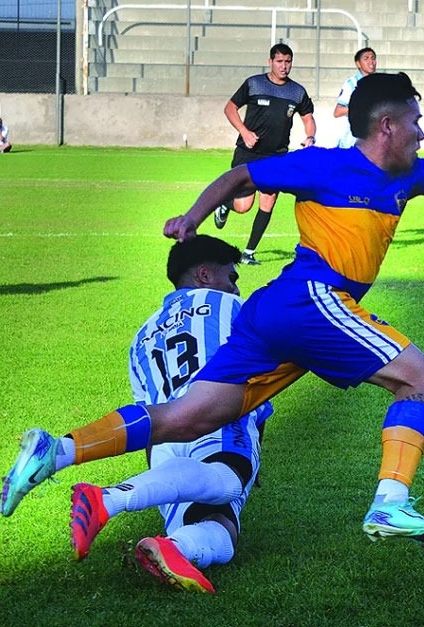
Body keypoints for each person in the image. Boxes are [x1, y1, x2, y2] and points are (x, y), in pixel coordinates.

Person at [0, 72, 424, 547]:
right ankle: (391, 505)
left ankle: (58, 450)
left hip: (275, 311)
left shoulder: (411, 176)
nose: (422, 132)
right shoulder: (325, 166)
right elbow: (241, 174)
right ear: (387, 126)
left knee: (188, 417)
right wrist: (193, 219)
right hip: (312, 301)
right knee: (421, 379)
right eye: (415, 121)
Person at [69, 235, 274, 593]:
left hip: (165, 440)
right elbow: (260, 377)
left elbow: (147, 410)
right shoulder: (231, 308)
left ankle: (174, 548)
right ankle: (108, 498)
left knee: (222, 526)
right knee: (229, 481)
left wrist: (159, 468)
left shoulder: (141, 335)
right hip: (215, 416)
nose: (236, 286)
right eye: (232, 276)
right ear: (205, 275)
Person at [213, 43, 316, 266]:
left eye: (288, 62)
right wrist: (244, 131)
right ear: (270, 62)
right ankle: (224, 204)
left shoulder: (297, 92)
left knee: (268, 201)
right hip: (248, 153)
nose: (284, 66)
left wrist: (310, 138)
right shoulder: (254, 83)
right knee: (243, 206)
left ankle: (249, 252)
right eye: (279, 61)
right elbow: (230, 108)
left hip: (276, 156)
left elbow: (308, 118)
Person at [333, 47, 377, 148]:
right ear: (358, 64)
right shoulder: (352, 84)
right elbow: (338, 111)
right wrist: (361, 108)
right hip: (352, 142)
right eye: (366, 58)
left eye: (373, 58)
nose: (371, 61)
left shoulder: (380, 84)